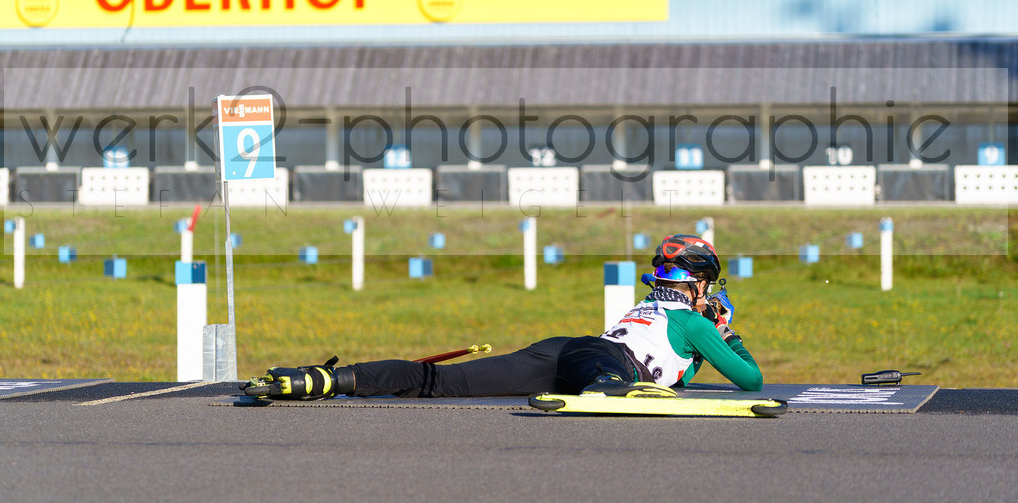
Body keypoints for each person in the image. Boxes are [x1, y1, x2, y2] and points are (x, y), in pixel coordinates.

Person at [243, 234, 763, 400]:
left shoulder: (651, 305)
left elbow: (677, 372)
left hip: (565, 350)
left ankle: (323, 379)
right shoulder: (696, 323)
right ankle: (606, 389)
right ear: (698, 283)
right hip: (602, 359)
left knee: (441, 382)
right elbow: (750, 379)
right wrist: (729, 334)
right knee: (607, 380)